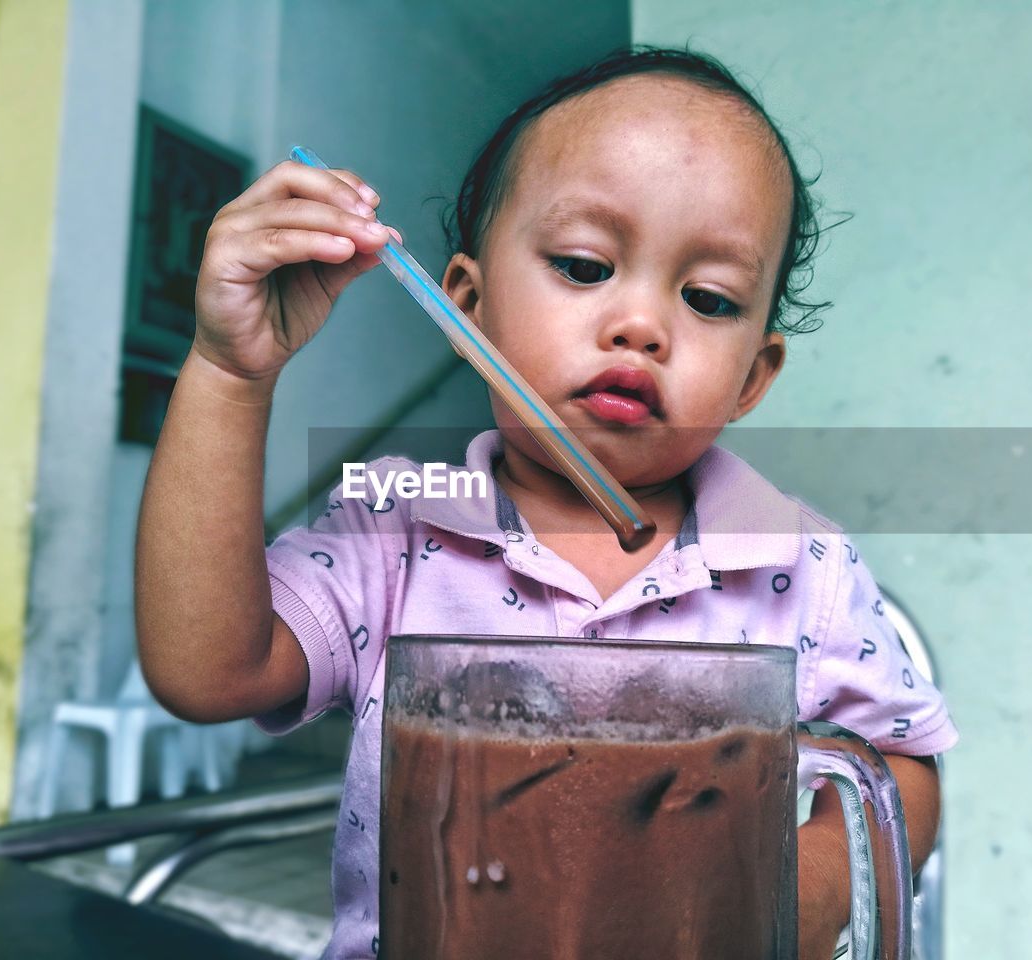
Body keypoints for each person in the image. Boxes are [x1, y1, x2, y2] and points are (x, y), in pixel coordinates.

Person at [136, 46, 958, 960]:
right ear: (466, 308)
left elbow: (899, 765)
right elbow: (206, 672)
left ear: (754, 377)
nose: (642, 325)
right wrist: (228, 372)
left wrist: (793, 899)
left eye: (708, 298)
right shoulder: (398, 532)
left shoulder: (802, 566)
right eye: (581, 265)